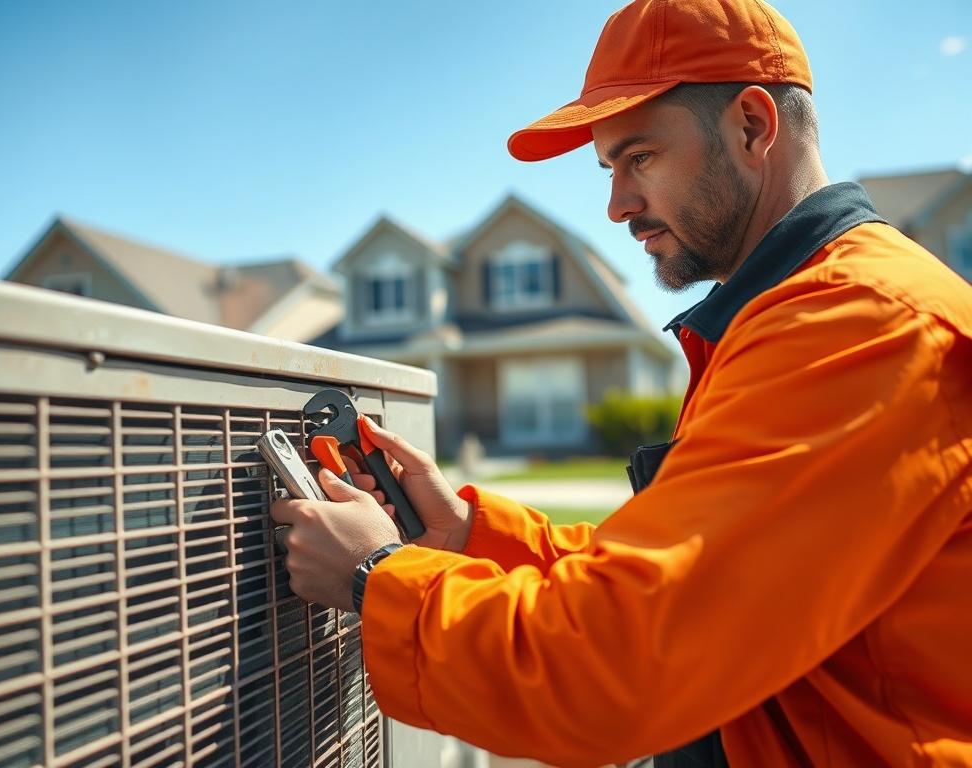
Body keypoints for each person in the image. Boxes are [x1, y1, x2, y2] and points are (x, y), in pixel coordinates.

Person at [272, 0, 972, 765]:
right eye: (609, 169)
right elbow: (688, 576)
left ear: (751, 125)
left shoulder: (854, 324)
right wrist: (470, 536)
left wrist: (380, 578)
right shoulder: (800, 310)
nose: (616, 205)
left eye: (639, 158)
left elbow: (621, 666)